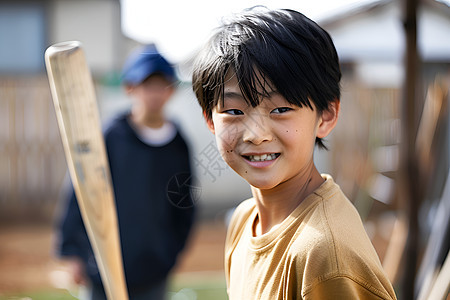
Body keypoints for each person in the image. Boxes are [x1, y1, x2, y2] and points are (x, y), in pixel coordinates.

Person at [191, 7, 397, 300]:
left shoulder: (325, 254)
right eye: (234, 111)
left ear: (326, 115)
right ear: (211, 120)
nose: (257, 134)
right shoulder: (243, 221)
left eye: (281, 109)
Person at [56, 44, 196, 300]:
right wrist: (72, 251)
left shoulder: (178, 145)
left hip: (153, 269)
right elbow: (80, 191)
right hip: (101, 266)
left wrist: (171, 253)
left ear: (172, 91)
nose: (154, 94)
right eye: (147, 85)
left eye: (161, 85)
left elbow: (185, 202)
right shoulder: (111, 136)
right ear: (129, 88)